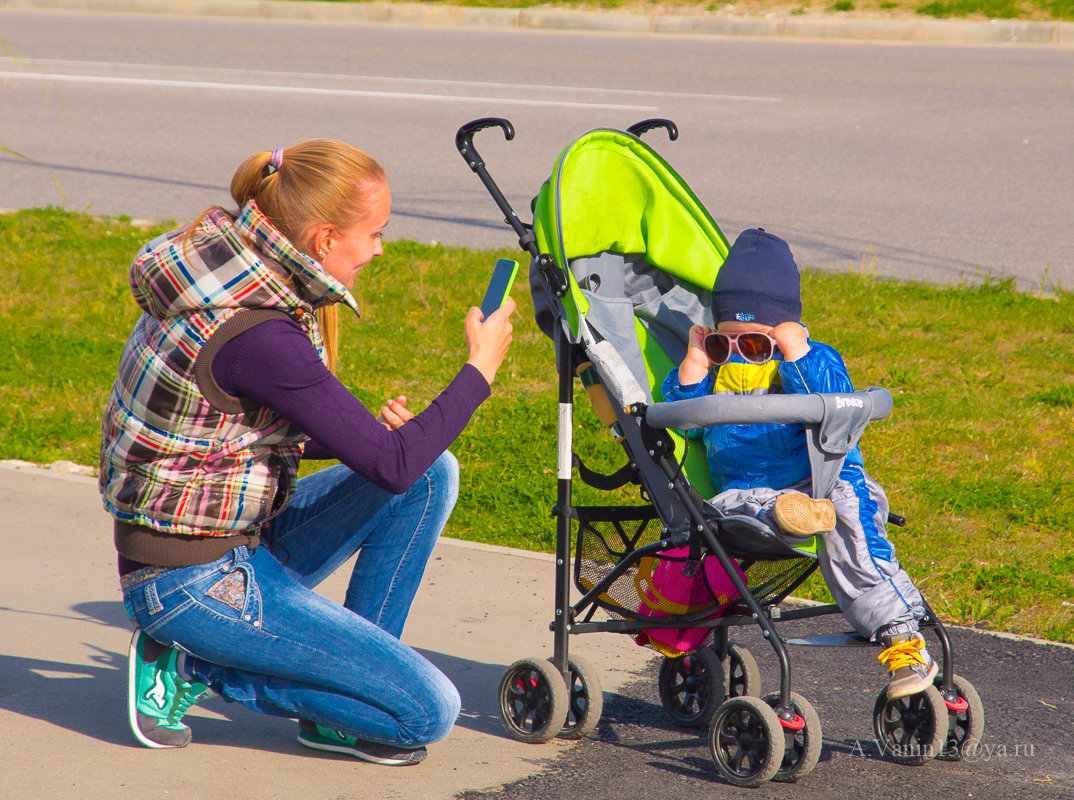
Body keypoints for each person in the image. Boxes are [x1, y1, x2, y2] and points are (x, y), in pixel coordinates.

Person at [99, 139, 516, 765]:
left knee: (432, 473)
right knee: (425, 712)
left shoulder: (228, 273)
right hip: (189, 580)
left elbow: (234, 427)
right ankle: (197, 666)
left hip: (233, 537)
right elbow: (388, 464)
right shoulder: (260, 331)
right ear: (323, 239)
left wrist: (367, 438)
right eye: (374, 233)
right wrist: (478, 372)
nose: (380, 248)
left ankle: (335, 709)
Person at [661, 227, 937, 700]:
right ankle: (785, 512)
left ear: (786, 328)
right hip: (748, 490)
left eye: (755, 345)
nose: (739, 354)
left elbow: (833, 399)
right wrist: (695, 362)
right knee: (735, 506)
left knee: (851, 512)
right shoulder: (714, 368)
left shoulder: (811, 359)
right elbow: (681, 417)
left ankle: (901, 637)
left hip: (822, 480)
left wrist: (795, 353)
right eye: (727, 343)